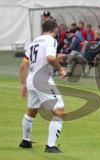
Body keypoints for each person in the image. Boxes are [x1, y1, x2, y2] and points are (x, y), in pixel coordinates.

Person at [19, 19, 67, 153]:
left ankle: (25, 141)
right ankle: (51, 146)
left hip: (31, 80)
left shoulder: (34, 42)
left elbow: (23, 65)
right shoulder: (51, 40)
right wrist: (61, 69)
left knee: (31, 111)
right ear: (55, 30)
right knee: (59, 111)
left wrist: (23, 84)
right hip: (43, 80)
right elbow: (49, 58)